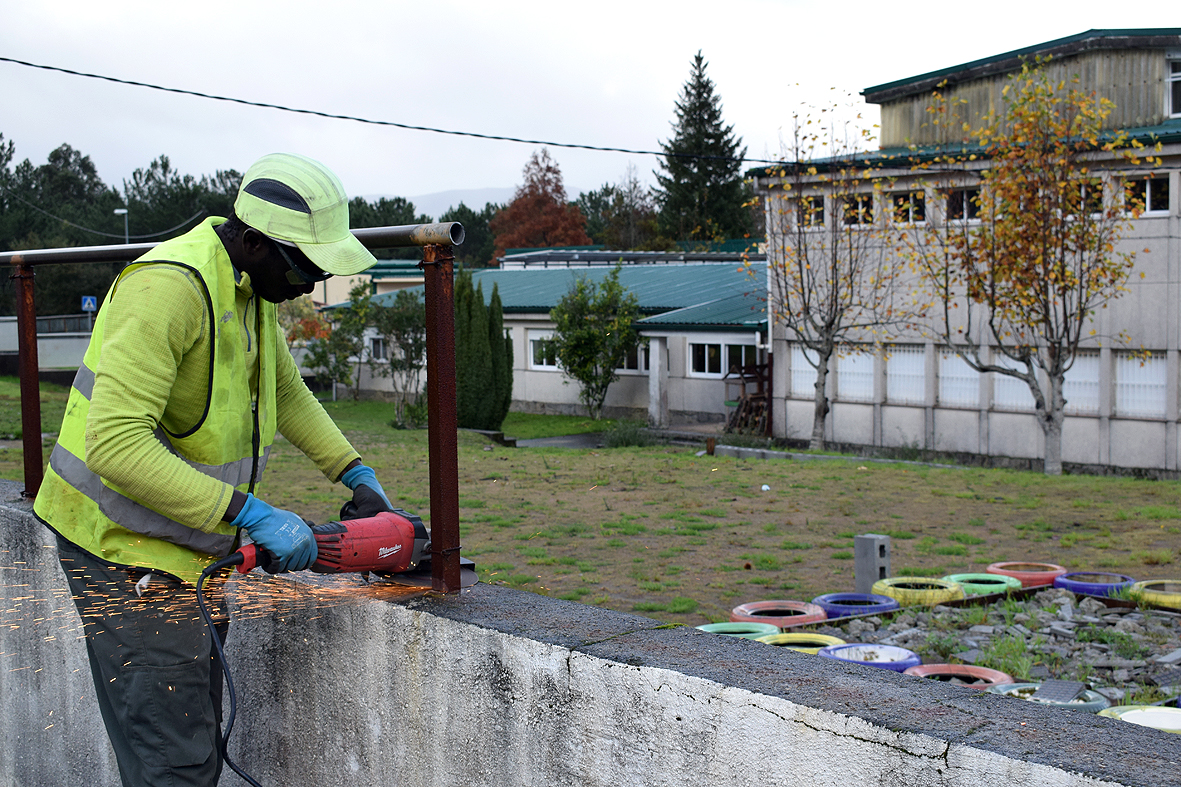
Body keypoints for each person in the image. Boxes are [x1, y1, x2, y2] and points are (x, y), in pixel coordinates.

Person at [34, 153, 395, 787]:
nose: (311, 285)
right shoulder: (167, 288)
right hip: (122, 549)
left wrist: (356, 475)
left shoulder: (251, 287)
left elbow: (288, 392)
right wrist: (252, 513)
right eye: (305, 267)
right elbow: (116, 446)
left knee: (191, 725)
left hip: (181, 540)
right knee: (173, 757)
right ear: (256, 242)